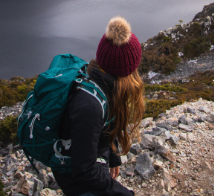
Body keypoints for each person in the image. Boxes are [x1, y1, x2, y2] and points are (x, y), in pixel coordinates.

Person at [53, 16, 145, 196]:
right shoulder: (89, 106)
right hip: (73, 174)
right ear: (126, 70)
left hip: (89, 155)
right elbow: (84, 171)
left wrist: (113, 156)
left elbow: (108, 123)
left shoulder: (102, 82)